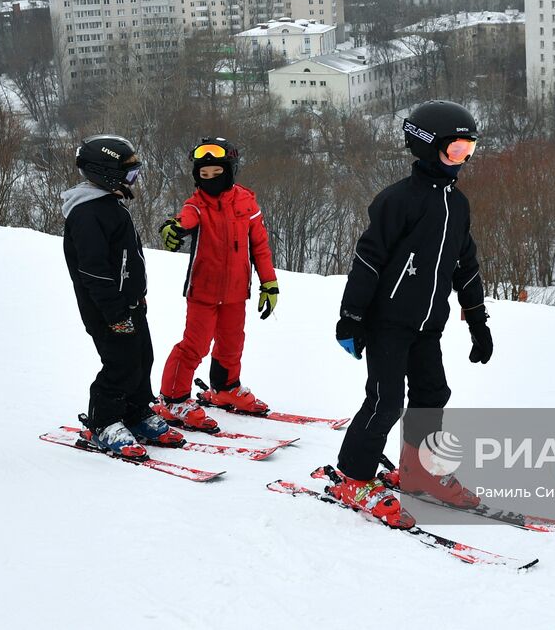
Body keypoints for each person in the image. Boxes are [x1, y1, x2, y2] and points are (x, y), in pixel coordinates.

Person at [317, 101, 489, 529]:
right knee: (385, 400)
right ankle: (354, 476)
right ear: (428, 147)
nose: (462, 161)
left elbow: (465, 265)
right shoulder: (398, 200)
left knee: (433, 396)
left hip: (428, 327)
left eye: (469, 151)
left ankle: (420, 472)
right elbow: (368, 260)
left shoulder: (458, 205)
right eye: (455, 151)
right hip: (387, 324)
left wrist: (479, 321)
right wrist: (351, 317)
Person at [62, 135, 182, 457]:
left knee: (142, 357)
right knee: (120, 362)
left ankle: (136, 410)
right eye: (129, 175)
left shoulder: (108, 206)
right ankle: (104, 421)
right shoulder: (87, 214)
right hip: (106, 310)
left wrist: (134, 298)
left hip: (129, 305)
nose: (133, 181)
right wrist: (114, 313)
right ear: (106, 174)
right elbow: (94, 272)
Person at [156, 137, 280, 432]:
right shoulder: (196, 205)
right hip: (203, 291)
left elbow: (259, 246)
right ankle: (172, 398)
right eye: (203, 174)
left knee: (232, 343)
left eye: (216, 172)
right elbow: (184, 219)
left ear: (230, 170)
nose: (209, 179)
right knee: (194, 346)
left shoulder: (247, 202)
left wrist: (269, 283)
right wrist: (171, 227)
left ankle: (225, 389)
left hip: (237, 291)